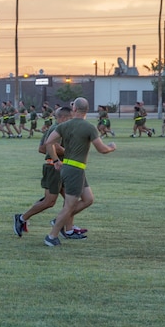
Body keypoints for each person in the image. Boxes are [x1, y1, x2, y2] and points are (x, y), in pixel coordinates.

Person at [42, 97, 116, 246]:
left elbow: (49, 142)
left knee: (88, 199)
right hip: (74, 170)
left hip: (74, 169)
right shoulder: (89, 127)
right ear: (87, 110)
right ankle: (51, 237)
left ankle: (59, 220)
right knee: (69, 206)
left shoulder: (64, 125)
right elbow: (102, 149)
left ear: (74, 109)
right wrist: (111, 147)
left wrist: (56, 160)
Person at [14, 106, 73, 236]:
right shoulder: (57, 129)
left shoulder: (56, 128)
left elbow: (42, 148)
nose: (72, 121)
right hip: (54, 167)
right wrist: (69, 153)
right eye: (71, 118)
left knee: (70, 200)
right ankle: (22, 218)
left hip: (60, 167)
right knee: (49, 201)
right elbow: (51, 146)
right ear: (63, 118)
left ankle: (68, 229)